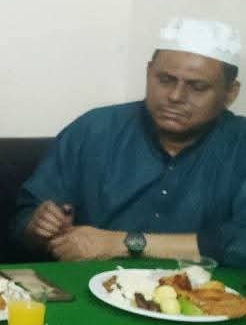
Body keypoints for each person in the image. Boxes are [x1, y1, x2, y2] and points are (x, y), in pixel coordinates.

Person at [17, 17, 246, 266]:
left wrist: (121, 243)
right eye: (165, 80)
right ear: (148, 72)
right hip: (92, 283)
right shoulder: (95, 129)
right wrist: (39, 225)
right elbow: (23, 221)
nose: (175, 96)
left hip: (207, 289)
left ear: (230, 93)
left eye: (197, 87)